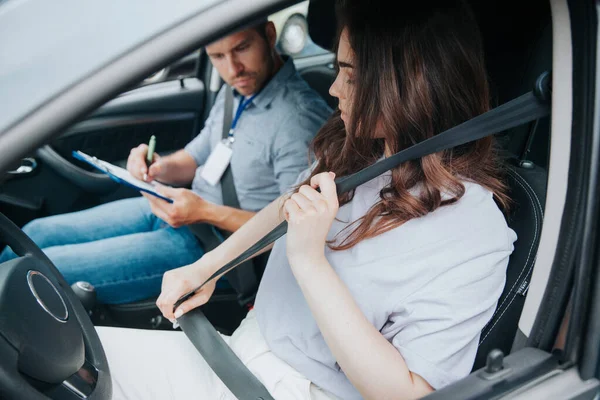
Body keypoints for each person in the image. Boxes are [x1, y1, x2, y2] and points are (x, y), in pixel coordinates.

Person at [96, 0, 517, 398]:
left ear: (411, 83)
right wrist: (205, 269)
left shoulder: (472, 232)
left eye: (351, 76)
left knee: (71, 365)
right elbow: (288, 206)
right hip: (244, 346)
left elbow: (410, 393)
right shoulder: (361, 150)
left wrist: (309, 262)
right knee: (72, 355)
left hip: (283, 387)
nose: (334, 88)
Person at [0, 20, 332, 304]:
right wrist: (158, 167)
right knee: (33, 234)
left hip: (217, 248)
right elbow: (196, 156)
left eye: (242, 48)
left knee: (29, 270)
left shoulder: (298, 119)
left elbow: (293, 226)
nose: (233, 69)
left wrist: (205, 212)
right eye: (217, 57)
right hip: (178, 212)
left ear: (270, 35)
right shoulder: (239, 93)